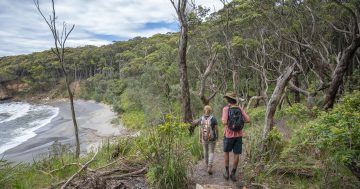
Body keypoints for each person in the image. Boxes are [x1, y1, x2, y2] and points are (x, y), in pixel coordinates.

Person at [222, 92, 250, 181]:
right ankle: (233, 173)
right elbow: (248, 120)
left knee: (226, 152)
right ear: (235, 100)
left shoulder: (226, 109)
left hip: (228, 135)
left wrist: (230, 122)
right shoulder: (239, 108)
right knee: (236, 154)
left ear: (228, 100)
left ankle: (226, 172)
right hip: (238, 135)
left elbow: (224, 122)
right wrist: (239, 122)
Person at [197, 105, 219, 175]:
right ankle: (209, 166)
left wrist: (199, 138)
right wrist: (217, 137)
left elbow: (200, 130)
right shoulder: (213, 119)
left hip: (204, 138)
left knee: (205, 151)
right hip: (212, 138)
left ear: (204, 110)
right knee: (211, 152)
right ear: (210, 111)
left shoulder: (201, 118)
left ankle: (206, 165)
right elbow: (216, 129)